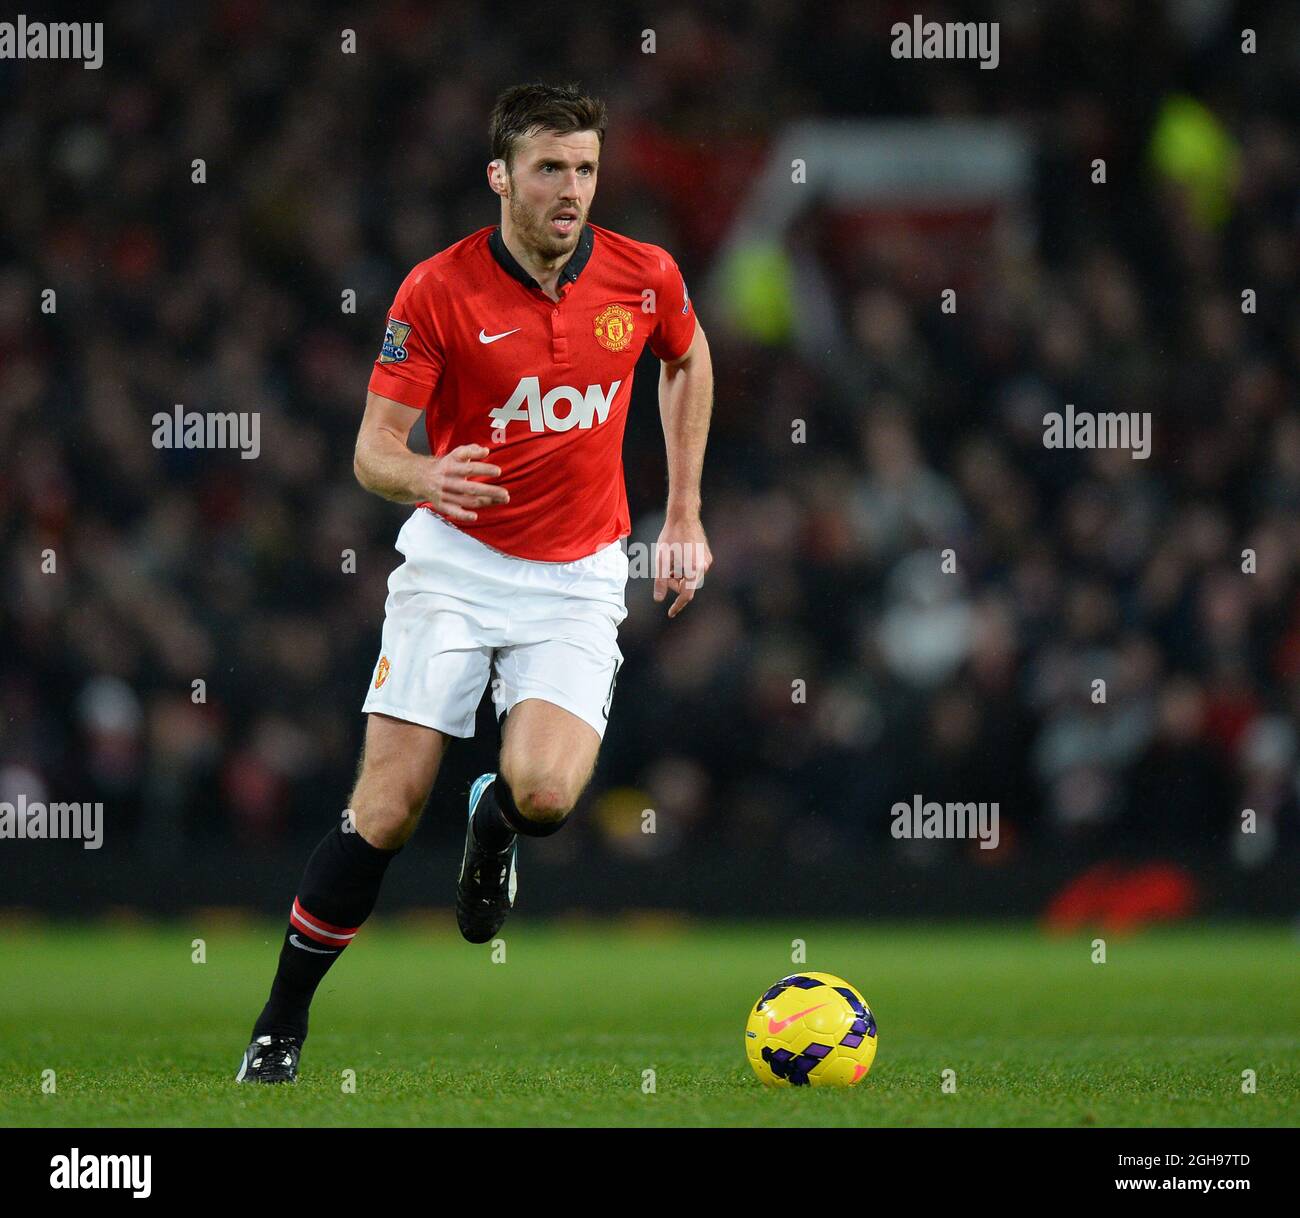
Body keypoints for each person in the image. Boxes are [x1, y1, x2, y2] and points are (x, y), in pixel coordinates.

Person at [237, 82, 714, 1083]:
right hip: (455, 567)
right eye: (549, 168)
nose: (571, 188)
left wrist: (682, 511)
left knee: (546, 795)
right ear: (500, 176)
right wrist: (424, 474)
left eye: (584, 168)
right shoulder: (438, 290)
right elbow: (373, 453)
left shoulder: (642, 276)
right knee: (389, 808)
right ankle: (280, 1021)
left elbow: (686, 355)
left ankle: (495, 822)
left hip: (578, 575)